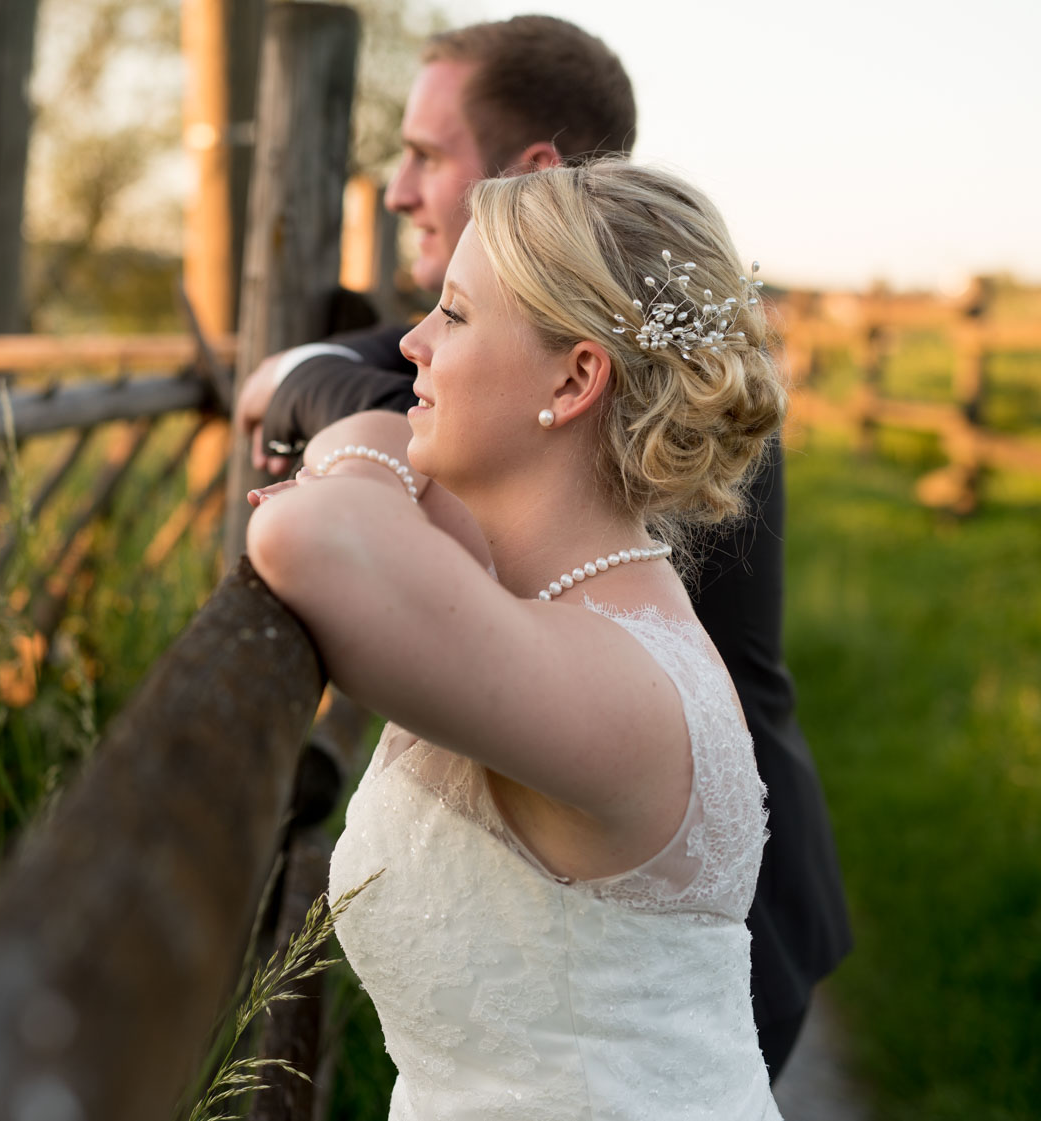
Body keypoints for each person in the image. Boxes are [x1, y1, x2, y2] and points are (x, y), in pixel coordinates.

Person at [235, 15, 849, 1079]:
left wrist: (363, 455)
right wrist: (380, 456)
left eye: (453, 317)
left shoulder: (623, 673)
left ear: (574, 382)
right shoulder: (566, 581)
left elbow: (306, 527)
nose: (413, 345)